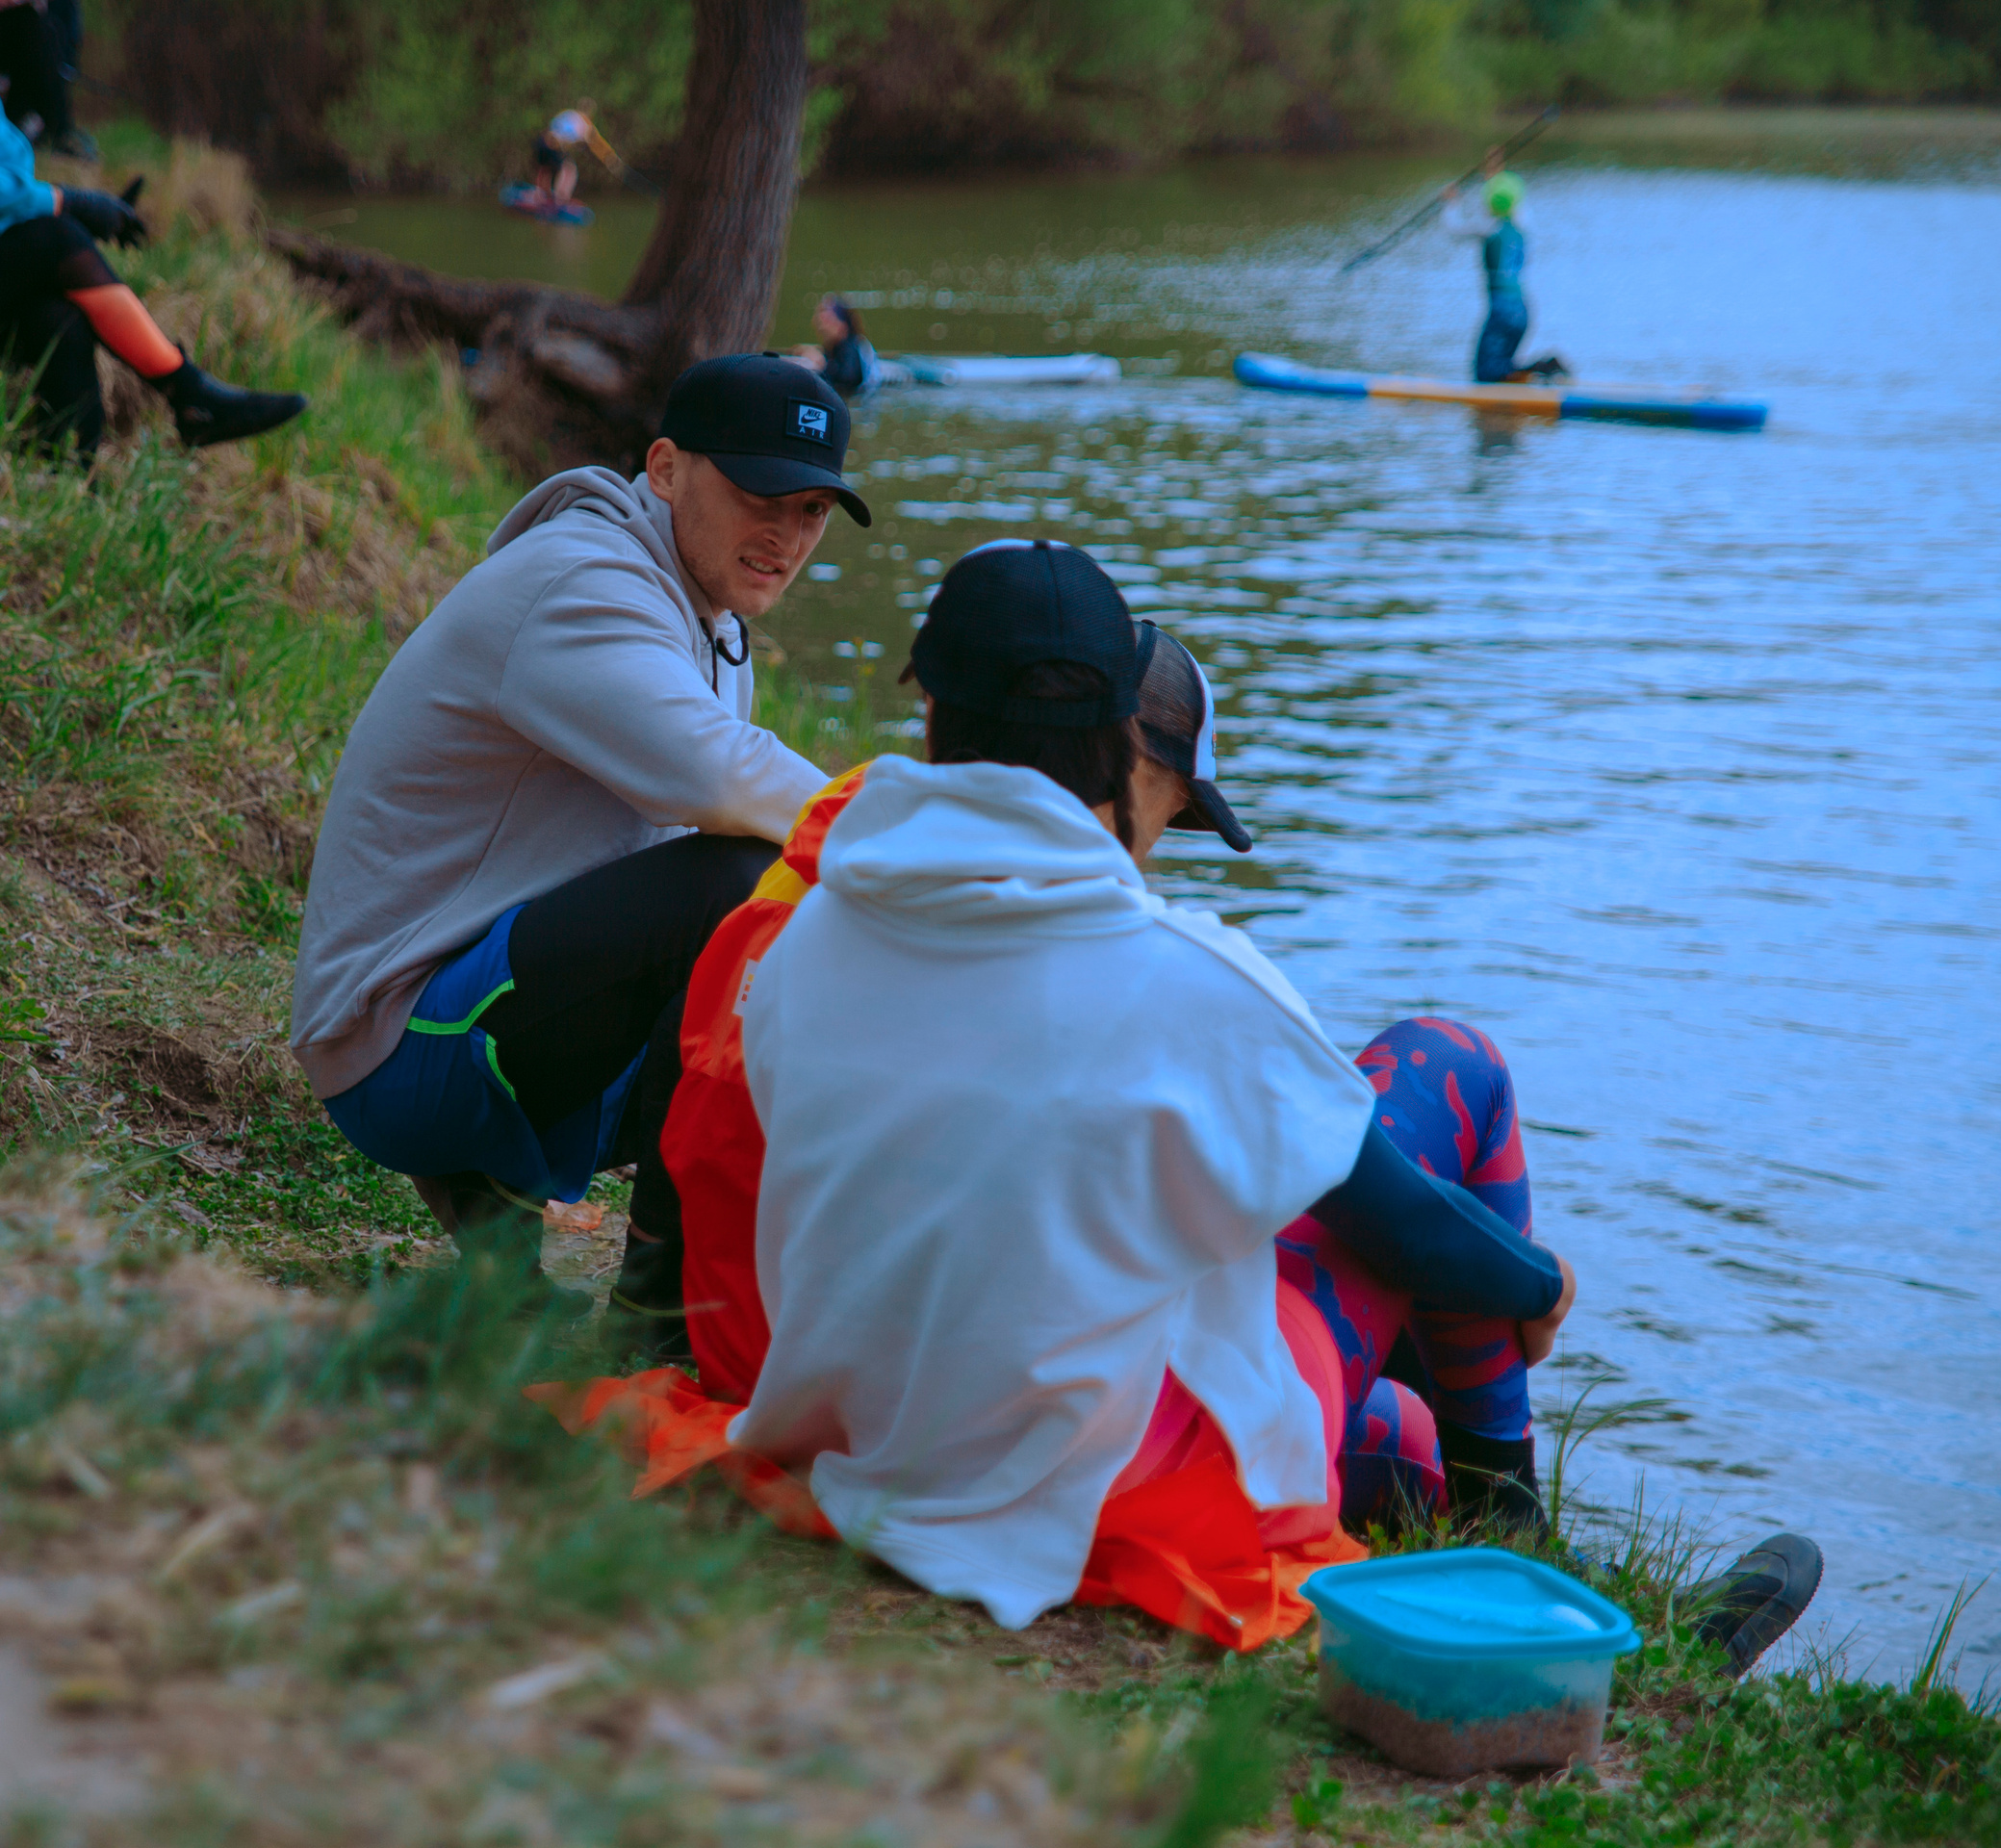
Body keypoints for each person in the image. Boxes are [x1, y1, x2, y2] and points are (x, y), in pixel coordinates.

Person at [577, 538, 1824, 1665]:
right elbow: (1418, 1235)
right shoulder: (1183, 975)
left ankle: (1484, 1525)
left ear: (929, 708)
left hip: (872, 1442)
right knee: (1452, 1065)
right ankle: (1529, 1551)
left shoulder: (802, 943)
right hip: (1100, 1491)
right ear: (1126, 735)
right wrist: (1539, 1286)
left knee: (1391, 1419)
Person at [291, 354, 871, 1268]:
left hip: (473, 1014)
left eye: (813, 511)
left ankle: (513, 1232)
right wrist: (938, 840)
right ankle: (654, 1309)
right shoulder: (583, 583)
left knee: (798, 957)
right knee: (741, 891)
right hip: (400, 1044)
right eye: (763, 494)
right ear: (668, 467)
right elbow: (720, 780)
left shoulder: (710, 616)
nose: (787, 536)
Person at [0, 0, 305, 457]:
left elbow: (12, 159)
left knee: (59, 316)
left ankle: (70, 474)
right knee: (54, 236)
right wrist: (65, 200)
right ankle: (187, 390)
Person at [1442, 145, 1568, 386]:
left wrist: (1451, 202)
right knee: (1501, 368)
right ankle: (1535, 376)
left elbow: (1454, 229)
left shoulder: (1487, 227)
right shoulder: (1524, 223)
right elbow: (1506, 195)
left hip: (1501, 310)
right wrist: (1495, 171)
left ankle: (1544, 367)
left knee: (1485, 373)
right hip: (1523, 309)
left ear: (1488, 202)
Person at [0, 0, 90, 159]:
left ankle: (27, 126)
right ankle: (57, 129)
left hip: (19, 31)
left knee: (44, 26)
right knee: (29, 23)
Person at [789, 294, 877, 401]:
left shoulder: (851, 348)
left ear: (842, 325)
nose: (821, 326)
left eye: (827, 320)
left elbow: (848, 382)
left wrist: (821, 366)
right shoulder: (835, 347)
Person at [528, 99, 607, 213]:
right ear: (590, 112)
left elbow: (553, 126)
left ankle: (539, 195)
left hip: (541, 142)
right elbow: (582, 142)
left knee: (545, 168)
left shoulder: (568, 113)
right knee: (569, 170)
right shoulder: (585, 125)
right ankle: (560, 201)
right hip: (554, 146)